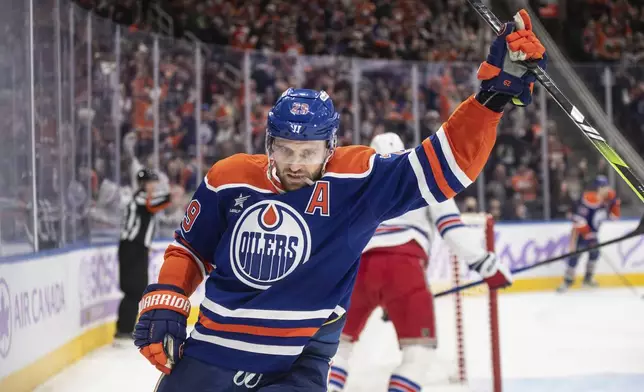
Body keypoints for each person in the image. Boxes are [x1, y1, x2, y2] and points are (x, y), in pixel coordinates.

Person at [133, 10, 546, 391]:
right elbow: (189, 248)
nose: (295, 164)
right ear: (268, 144)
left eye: (308, 152)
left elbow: (445, 164)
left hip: (294, 367)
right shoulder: (229, 177)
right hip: (210, 355)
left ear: (329, 148)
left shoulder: (357, 179)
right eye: (285, 150)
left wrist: (490, 100)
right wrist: (167, 296)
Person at [328, 132, 509, 392]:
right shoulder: (425, 175)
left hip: (357, 271)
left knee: (339, 347)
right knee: (418, 354)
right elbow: (452, 230)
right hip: (405, 270)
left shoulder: (357, 180)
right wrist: (486, 265)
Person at [114, 168, 171, 344]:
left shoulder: (140, 199)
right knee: (134, 289)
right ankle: (123, 330)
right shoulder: (140, 199)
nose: (155, 186)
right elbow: (164, 200)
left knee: (136, 289)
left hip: (136, 248)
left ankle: (125, 329)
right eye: (152, 182)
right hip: (132, 248)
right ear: (144, 184)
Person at [557, 175, 621, 293]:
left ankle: (587, 279)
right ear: (598, 188)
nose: (607, 189)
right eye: (604, 186)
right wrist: (587, 234)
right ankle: (567, 281)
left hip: (593, 234)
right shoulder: (589, 198)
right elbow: (578, 219)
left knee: (595, 254)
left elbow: (614, 218)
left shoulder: (607, 200)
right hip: (580, 234)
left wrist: (615, 203)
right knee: (575, 256)